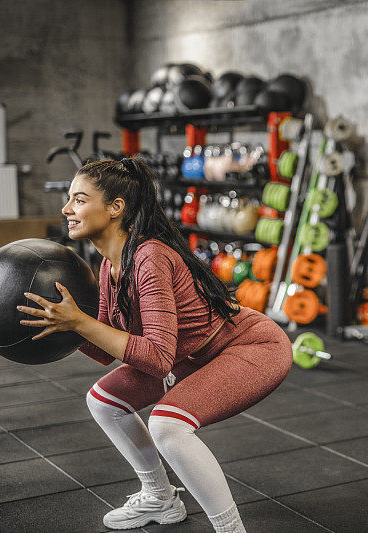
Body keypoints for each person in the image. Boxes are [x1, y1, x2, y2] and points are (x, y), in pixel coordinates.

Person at [17, 158, 292, 532]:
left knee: (168, 425)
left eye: (79, 199)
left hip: (250, 346)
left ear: (116, 208)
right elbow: (102, 350)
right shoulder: (108, 265)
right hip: (192, 354)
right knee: (104, 401)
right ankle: (160, 499)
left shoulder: (149, 256)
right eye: (69, 199)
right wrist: (58, 323)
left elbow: (159, 359)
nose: (67, 209)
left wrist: (78, 322)